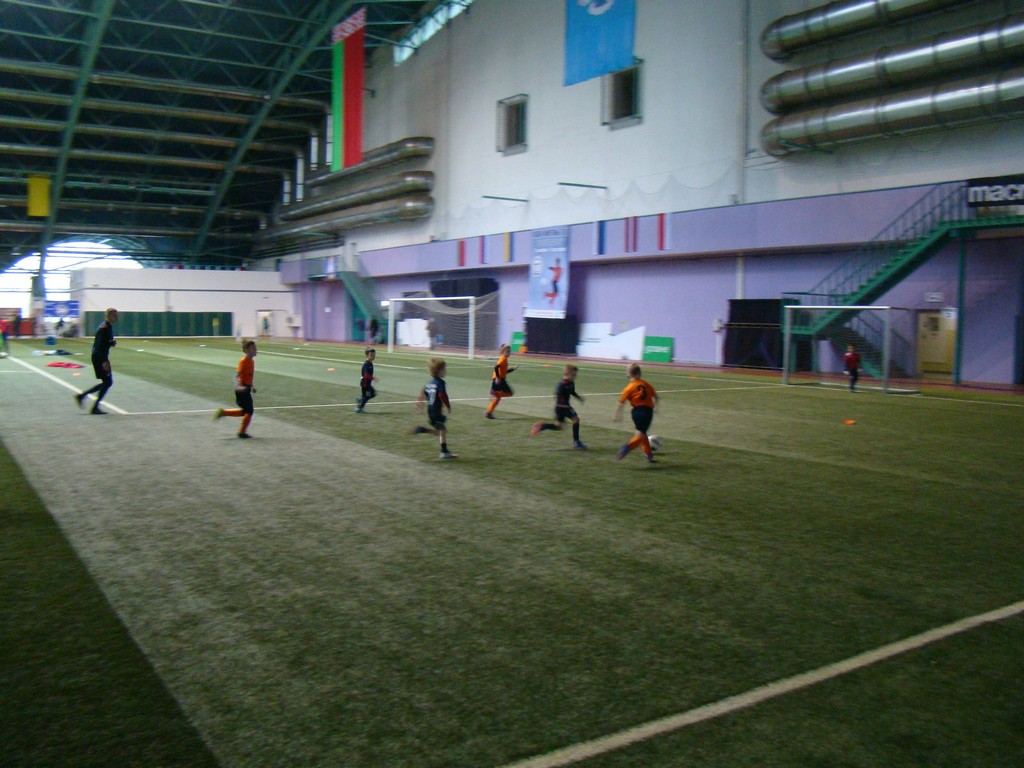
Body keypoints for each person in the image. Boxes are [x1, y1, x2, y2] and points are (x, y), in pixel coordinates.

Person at [531, 364, 586, 449]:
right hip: (562, 407)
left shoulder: (571, 383)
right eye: (573, 375)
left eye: (575, 375)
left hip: (562, 408)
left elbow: (572, 392)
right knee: (576, 420)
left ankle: (542, 426)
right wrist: (564, 405)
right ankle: (576, 442)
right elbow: (557, 395)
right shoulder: (562, 384)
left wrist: (579, 398)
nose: (575, 377)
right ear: (567, 374)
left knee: (559, 426)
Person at [410, 356, 456, 459]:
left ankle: (444, 450)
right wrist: (448, 405)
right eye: (444, 369)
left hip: (430, 411)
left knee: (442, 430)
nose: (445, 371)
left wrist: (419, 402)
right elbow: (442, 395)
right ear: (439, 371)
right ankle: (424, 431)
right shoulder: (441, 383)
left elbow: (423, 392)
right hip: (436, 411)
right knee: (442, 431)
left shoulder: (429, 383)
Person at [75, 307, 118, 415]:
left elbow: (103, 343)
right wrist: (103, 361)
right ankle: (88, 401)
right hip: (100, 357)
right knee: (107, 382)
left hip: (100, 356)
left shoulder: (106, 326)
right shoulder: (105, 327)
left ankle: (85, 399)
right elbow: (98, 345)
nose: (116, 317)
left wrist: (110, 344)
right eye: (115, 315)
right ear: (110, 316)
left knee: (107, 382)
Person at [614, 362, 659, 463]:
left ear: (629, 375)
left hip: (635, 412)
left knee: (642, 433)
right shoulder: (645, 384)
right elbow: (656, 396)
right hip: (647, 412)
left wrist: (618, 415)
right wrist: (656, 407)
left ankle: (649, 454)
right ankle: (627, 447)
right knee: (640, 435)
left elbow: (620, 403)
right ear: (639, 374)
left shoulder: (628, 387)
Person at [214, 338, 258, 438]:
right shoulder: (244, 361)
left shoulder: (251, 361)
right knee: (249, 411)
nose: (256, 350)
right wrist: (238, 386)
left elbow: (248, 376)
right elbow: (236, 375)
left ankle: (223, 413)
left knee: (245, 412)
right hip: (242, 389)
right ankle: (242, 432)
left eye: (255, 348)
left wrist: (252, 386)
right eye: (253, 348)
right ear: (246, 350)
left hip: (246, 388)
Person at [484, 343, 518, 419]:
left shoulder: (504, 359)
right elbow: (496, 367)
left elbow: (504, 371)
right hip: (499, 380)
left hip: (499, 379)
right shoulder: (503, 359)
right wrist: (497, 378)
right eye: (507, 351)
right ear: (502, 352)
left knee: (498, 398)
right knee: (510, 393)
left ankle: (488, 412)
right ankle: (495, 393)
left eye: (509, 351)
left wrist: (513, 369)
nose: (509, 353)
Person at [355, 347, 378, 413]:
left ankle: (360, 401)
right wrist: (373, 378)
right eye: (371, 355)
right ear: (367, 355)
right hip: (365, 383)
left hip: (368, 383)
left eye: (374, 355)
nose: (373, 357)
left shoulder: (370, 363)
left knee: (370, 394)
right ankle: (359, 408)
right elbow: (366, 375)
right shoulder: (366, 364)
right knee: (369, 395)